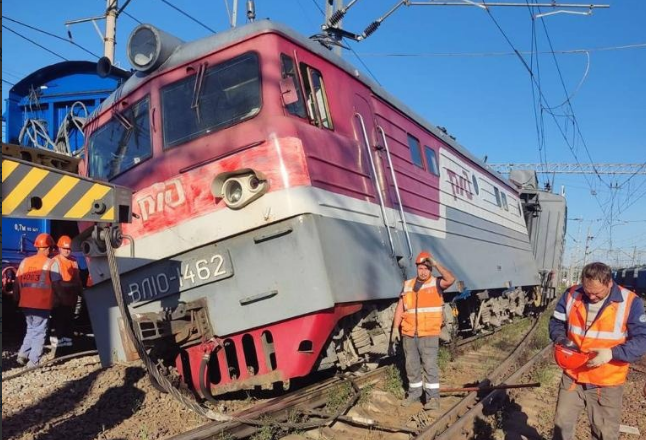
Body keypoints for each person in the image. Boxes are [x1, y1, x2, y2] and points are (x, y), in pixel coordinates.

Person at [549, 262, 646, 440]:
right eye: (588, 291)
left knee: (605, 433)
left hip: (606, 381)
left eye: (597, 293)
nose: (592, 296)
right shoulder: (572, 294)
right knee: (561, 427)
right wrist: (561, 339)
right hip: (573, 376)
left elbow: (642, 340)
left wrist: (611, 353)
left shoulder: (631, 302)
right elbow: (556, 322)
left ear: (609, 283)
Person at [391, 250, 455, 410]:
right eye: (421, 268)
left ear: (431, 269)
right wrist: (394, 328)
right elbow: (401, 307)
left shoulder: (436, 283)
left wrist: (436, 263)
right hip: (409, 333)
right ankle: (414, 394)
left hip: (429, 333)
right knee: (411, 366)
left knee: (430, 366)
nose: (423, 271)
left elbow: (451, 279)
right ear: (417, 268)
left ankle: (433, 399)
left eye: (427, 268)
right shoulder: (407, 285)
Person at [14, 233, 55, 367]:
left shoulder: (25, 262)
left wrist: (16, 298)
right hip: (41, 304)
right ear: (47, 248)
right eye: (51, 248)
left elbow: (16, 282)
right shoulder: (50, 263)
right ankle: (33, 362)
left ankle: (22, 355)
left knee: (31, 329)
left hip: (25, 302)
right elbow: (56, 284)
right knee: (39, 332)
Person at [50, 235, 83, 347]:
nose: (67, 251)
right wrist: (62, 297)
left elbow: (78, 280)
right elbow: (55, 283)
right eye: (65, 248)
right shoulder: (55, 261)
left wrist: (81, 294)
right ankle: (59, 348)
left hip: (70, 300)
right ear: (59, 248)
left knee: (69, 323)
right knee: (59, 324)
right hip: (59, 300)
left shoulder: (74, 262)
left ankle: (68, 346)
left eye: (69, 248)